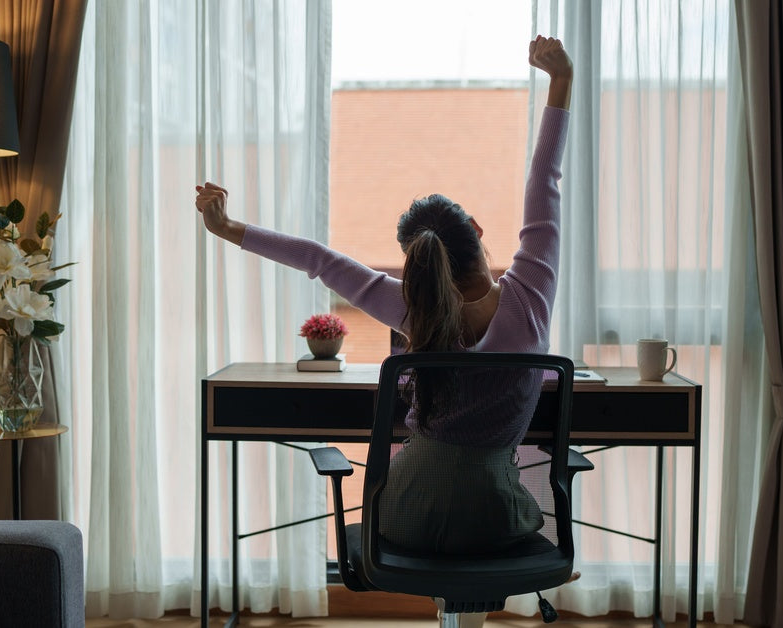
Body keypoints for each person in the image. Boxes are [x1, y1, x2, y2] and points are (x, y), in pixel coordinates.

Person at [197, 35, 572, 627]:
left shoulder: (414, 312)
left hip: (405, 520)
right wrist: (560, 81)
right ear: (475, 228)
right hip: (496, 526)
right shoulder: (531, 296)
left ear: (420, 263)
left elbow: (319, 258)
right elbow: (544, 182)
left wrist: (228, 228)